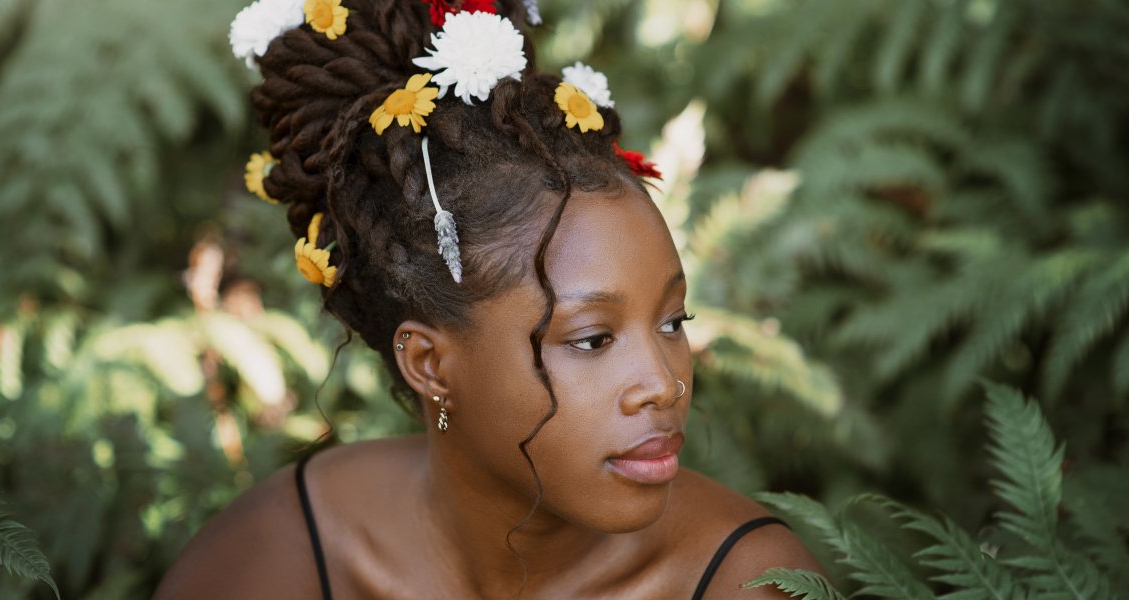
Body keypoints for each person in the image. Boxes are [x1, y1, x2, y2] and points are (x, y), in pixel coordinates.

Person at [157, 0, 822, 597]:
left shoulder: (747, 583)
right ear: (428, 364)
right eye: (592, 339)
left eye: (673, 321)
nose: (665, 384)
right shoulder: (283, 555)